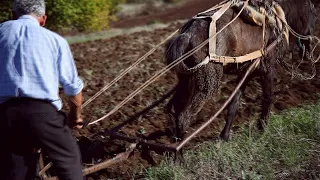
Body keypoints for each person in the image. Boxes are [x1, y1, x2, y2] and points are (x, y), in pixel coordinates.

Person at [0, 0, 85, 179]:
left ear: (12, 14)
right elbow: (72, 86)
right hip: (42, 113)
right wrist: (75, 116)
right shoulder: (55, 40)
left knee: (16, 169)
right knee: (68, 160)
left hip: (5, 114)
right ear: (43, 19)